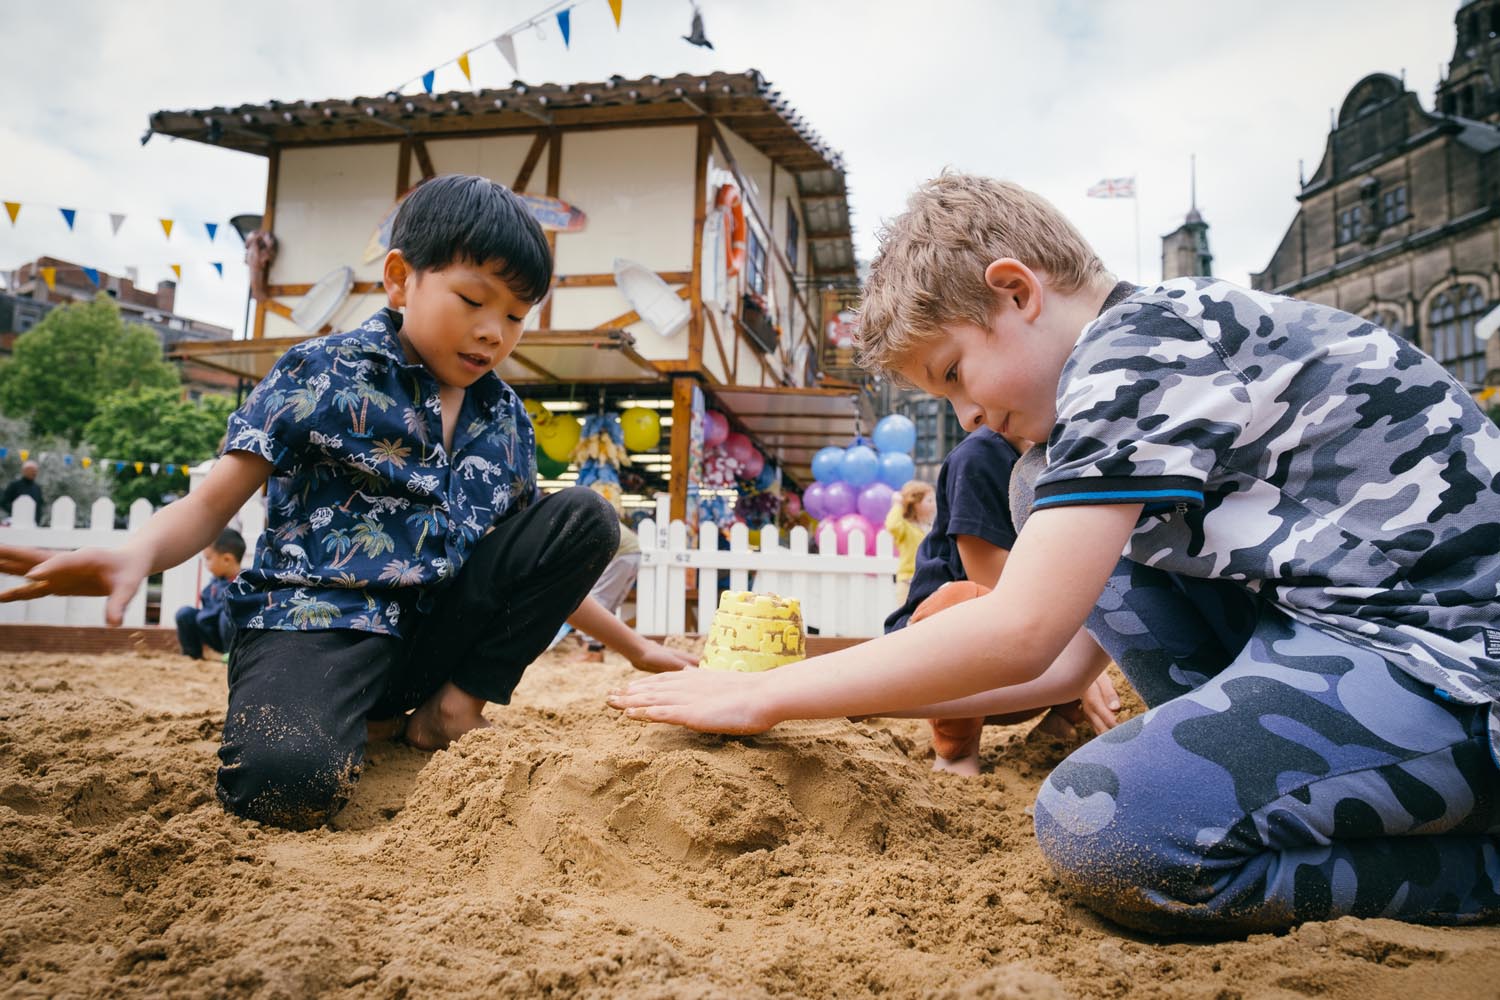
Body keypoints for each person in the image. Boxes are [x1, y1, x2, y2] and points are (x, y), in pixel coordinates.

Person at [610, 171, 1500, 935]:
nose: (962, 416)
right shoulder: (1073, 442)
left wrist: (767, 694)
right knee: (1038, 491)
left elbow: (1022, 630)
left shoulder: (1135, 347)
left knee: (1114, 829)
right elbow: (1062, 663)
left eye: (954, 372)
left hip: (1456, 669)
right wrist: (833, 711)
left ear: (1017, 292)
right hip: (1347, 637)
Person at [0, 174, 694, 831]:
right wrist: (134, 555)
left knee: (585, 517)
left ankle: (448, 713)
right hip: (318, 623)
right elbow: (212, 504)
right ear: (400, 279)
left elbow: (529, 565)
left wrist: (636, 650)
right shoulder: (320, 371)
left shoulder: (506, 418)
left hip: (435, 635)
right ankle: (357, 720)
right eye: (474, 300)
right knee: (284, 786)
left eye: (516, 315)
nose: (494, 331)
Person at [882, 433, 1119, 775]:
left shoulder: (1075, 449)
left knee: (1094, 602)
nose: (968, 416)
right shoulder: (979, 456)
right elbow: (994, 583)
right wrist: (1081, 671)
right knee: (962, 600)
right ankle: (956, 753)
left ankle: (1058, 729)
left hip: (1024, 679)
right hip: (940, 672)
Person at [175, 528, 244, 660]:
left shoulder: (243, 583)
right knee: (184, 613)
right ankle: (191, 654)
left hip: (233, 638)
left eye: (208, 558)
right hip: (210, 630)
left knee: (227, 613)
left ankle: (231, 655)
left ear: (227, 559)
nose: (206, 564)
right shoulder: (215, 583)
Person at [883, 480, 934, 606]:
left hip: (928, 582)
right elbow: (893, 525)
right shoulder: (906, 528)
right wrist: (898, 504)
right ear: (915, 504)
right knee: (907, 618)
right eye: (929, 501)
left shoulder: (931, 528)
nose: (934, 505)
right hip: (908, 582)